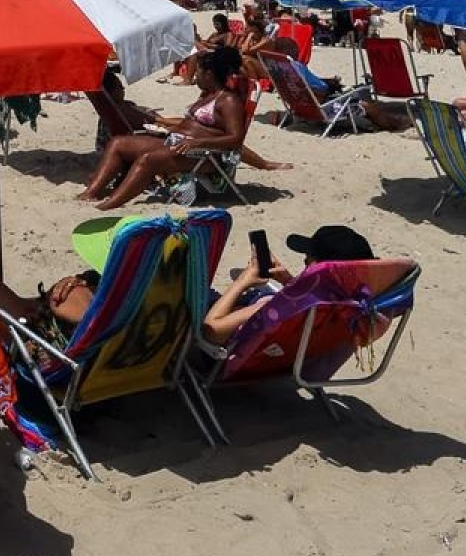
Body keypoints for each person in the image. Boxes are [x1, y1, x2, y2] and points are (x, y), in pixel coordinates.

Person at [80, 46, 251, 207]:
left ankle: (111, 204)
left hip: (203, 154)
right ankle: (91, 193)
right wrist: (162, 124)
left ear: (209, 74)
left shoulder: (228, 100)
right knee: (118, 143)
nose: (195, 75)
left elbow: (236, 138)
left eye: (198, 71)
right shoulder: (208, 95)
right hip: (178, 144)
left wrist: (197, 143)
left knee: (148, 159)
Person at [200, 224, 378, 347]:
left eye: (308, 262)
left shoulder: (277, 308)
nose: (305, 260)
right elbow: (314, 300)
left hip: (222, 352)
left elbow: (212, 330)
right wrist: (289, 282)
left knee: (201, 294)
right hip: (286, 360)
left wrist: (244, 280)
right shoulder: (349, 312)